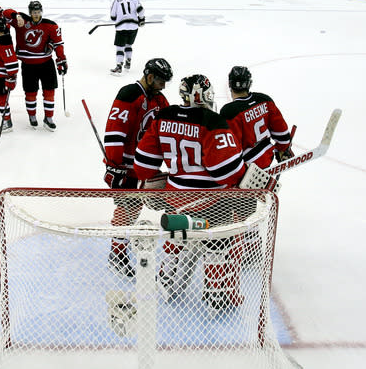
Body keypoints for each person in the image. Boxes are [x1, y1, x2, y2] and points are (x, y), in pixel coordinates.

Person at [133, 74, 247, 310]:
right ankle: (216, 293)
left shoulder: (162, 117)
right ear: (201, 95)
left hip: (175, 198)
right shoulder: (211, 120)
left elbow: (143, 167)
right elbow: (227, 172)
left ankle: (164, 277)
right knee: (217, 244)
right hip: (211, 202)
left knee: (176, 236)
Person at [103, 58, 173, 277]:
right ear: (150, 76)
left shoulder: (160, 100)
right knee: (127, 208)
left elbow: (169, 129)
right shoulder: (129, 94)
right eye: (161, 80)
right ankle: (117, 254)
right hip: (125, 166)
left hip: (144, 167)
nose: (163, 86)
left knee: (134, 209)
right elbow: (115, 131)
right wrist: (114, 166)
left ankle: (120, 249)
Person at [0, 1, 67, 131]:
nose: (36, 15)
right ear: (30, 13)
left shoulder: (51, 25)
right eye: (34, 12)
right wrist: (16, 15)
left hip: (46, 63)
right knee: (30, 92)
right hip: (28, 65)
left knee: (49, 92)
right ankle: (32, 116)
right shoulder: (21, 22)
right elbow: (5, 13)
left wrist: (61, 60)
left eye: (38, 12)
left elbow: (58, 43)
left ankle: (49, 118)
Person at [219, 66, 293, 169]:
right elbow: (282, 134)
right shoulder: (264, 99)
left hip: (248, 167)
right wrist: (283, 149)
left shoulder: (229, 112)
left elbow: (230, 151)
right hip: (267, 157)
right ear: (249, 83)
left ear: (230, 84)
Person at [109, 0, 145, 75]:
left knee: (120, 47)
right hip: (134, 26)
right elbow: (141, 10)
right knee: (128, 45)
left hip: (122, 27)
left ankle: (119, 66)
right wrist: (141, 19)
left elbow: (113, 17)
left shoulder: (116, 1)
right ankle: (128, 62)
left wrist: (118, 18)